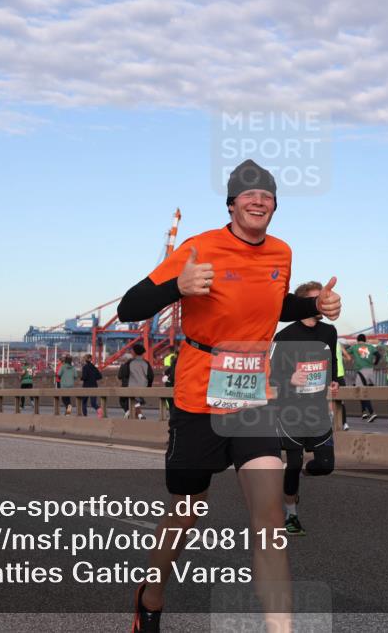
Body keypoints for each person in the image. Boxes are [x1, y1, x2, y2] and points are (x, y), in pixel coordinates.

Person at [116, 159, 341, 633]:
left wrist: (312, 306)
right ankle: (150, 597)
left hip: (252, 400)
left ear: (275, 205)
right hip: (198, 395)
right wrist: (177, 287)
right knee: (187, 510)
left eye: (267, 195)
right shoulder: (199, 247)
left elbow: (274, 303)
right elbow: (128, 307)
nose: (258, 200)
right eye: (248, 194)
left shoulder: (281, 252)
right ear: (232, 203)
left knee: (270, 516)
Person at [271, 281, 338, 536]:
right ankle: (291, 514)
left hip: (318, 408)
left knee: (325, 465)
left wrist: (335, 380)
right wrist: (289, 379)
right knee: (294, 463)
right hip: (290, 409)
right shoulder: (284, 336)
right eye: (316, 299)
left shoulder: (329, 332)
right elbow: (271, 374)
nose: (321, 303)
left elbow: (332, 360)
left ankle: (293, 488)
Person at [348, 334, 381, 422]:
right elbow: (379, 355)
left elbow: (345, 352)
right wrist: (375, 363)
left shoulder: (355, 347)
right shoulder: (370, 347)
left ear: (357, 340)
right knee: (365, 392)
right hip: (370, 371)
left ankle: (372, 412)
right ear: (365, 340)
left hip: (360, 372)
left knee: (361, 393)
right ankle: (364, 412)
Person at [118, 344, 153, 419]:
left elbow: (122, 375)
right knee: (136, 399)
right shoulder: (146, 363)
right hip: (142, 386)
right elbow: (150, 376)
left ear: (134, 352)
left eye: (132, 350)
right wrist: (148, 386)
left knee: (123, 400)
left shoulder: (129, 362)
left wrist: (122, 366)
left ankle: (128, 412)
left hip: (130, 386)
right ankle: (139, 415)